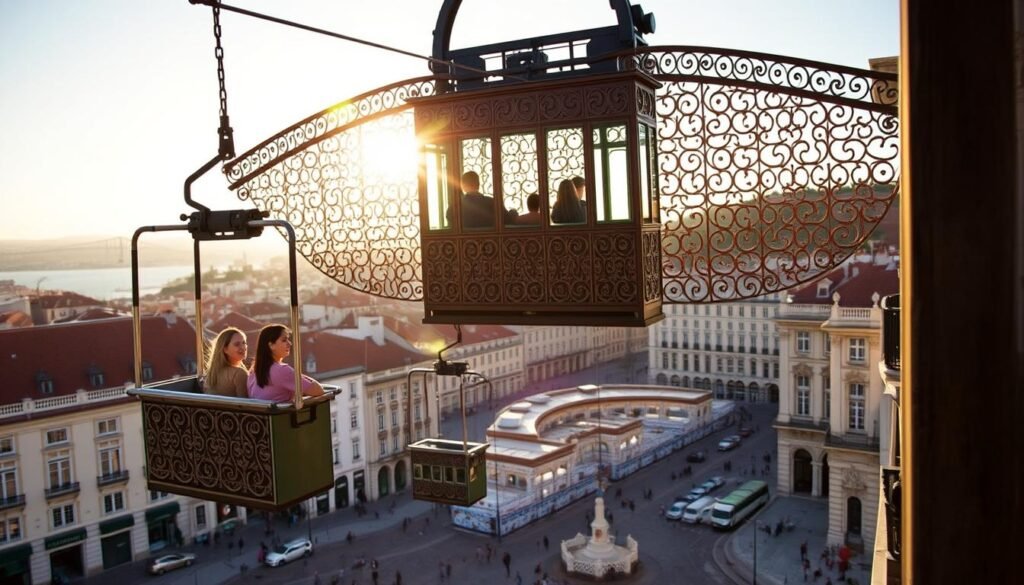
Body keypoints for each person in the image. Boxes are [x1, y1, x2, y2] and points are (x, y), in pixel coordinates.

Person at [247, 324, 324, 402]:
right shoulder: (281, 370)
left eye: (288, 339)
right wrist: (298, 375)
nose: (289, 343)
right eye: (284, 340)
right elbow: (318, 391)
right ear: (271, 345)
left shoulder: (254, 370)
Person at [205, 327, 249, 397]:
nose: (243, 347)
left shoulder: (212, 374)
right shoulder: (239, 374)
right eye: (237, 344)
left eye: (244, 343)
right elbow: (245, 404)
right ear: (225, 349)